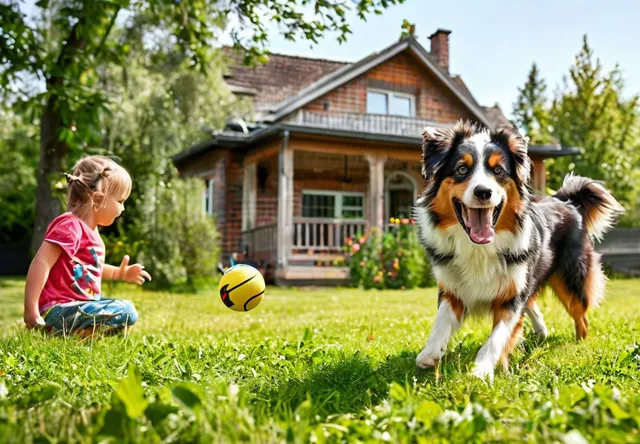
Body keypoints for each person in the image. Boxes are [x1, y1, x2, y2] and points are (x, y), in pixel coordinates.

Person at [23, 155, 152, 336]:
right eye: (121, 201)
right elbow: (42, 262)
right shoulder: (70, 226)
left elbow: (91, 268)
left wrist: (120, 273)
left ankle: (80, 334)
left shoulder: (93, 234)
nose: (122, 209)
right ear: (98, 200)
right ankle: (67, 331)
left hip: (78, 308)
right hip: (58, 310)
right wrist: (31, 310)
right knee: (126, 310)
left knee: (122, 314)